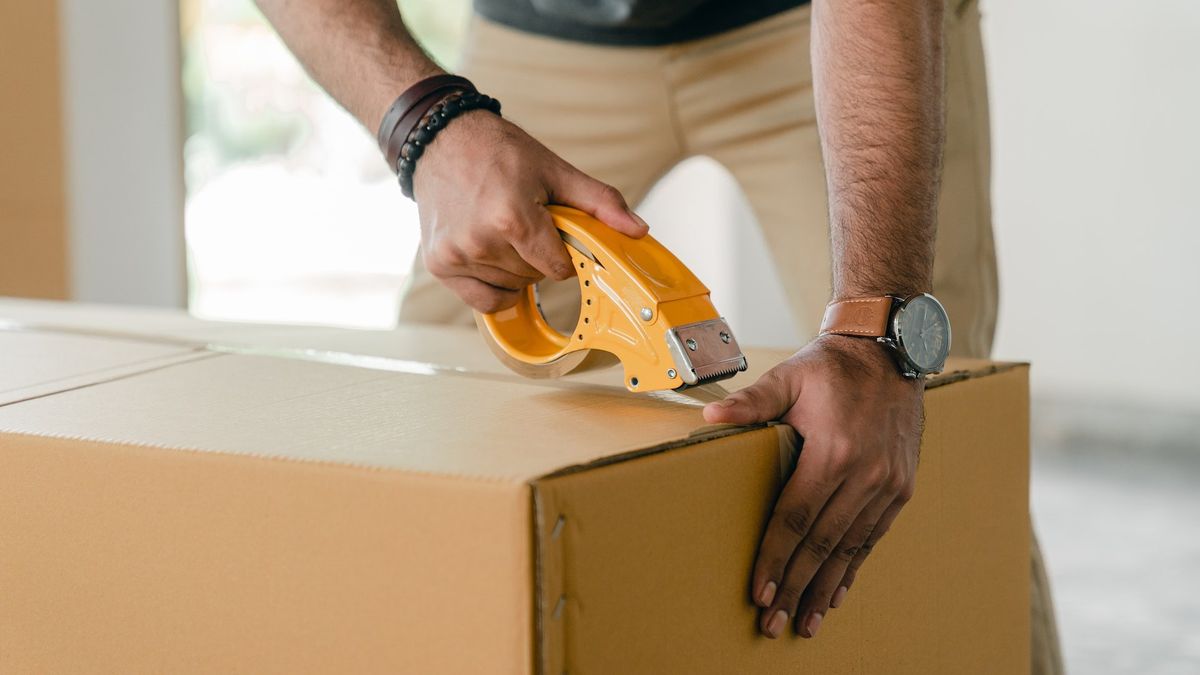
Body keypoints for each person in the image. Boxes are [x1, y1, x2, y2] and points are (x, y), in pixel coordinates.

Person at [256, 0, 1061, 671]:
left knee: (930, 425)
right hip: (545, 33)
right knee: (452, 395)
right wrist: (426, 122)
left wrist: (876, 331)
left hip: (812, 24)